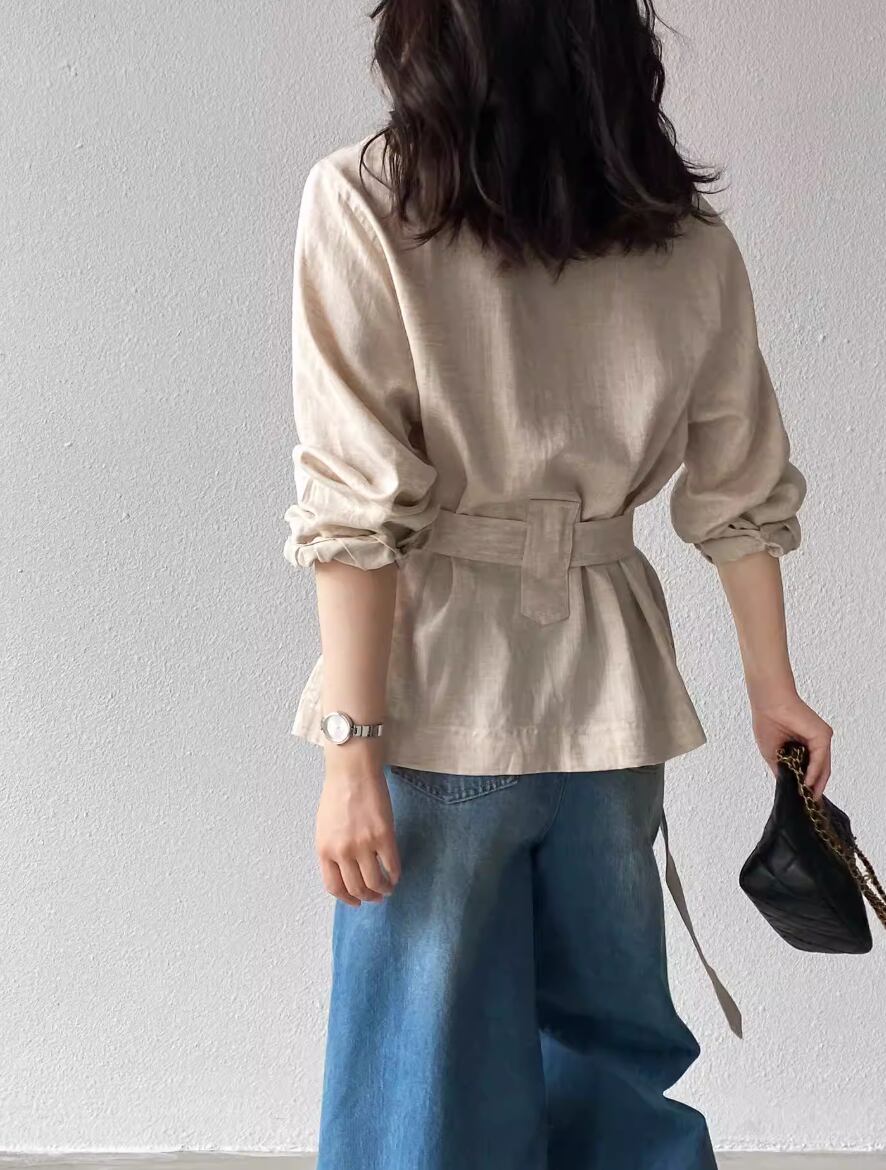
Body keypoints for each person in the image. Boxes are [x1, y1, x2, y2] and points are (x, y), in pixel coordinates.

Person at [282, 1, 833, 1166]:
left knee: (419, 1075)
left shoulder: (367, 201)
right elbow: (738, 491)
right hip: (610, 693)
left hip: (436, 697)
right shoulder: (679, 235)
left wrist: (350, 746)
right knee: (614, 1057)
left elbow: (356, 508)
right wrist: (772, 689)